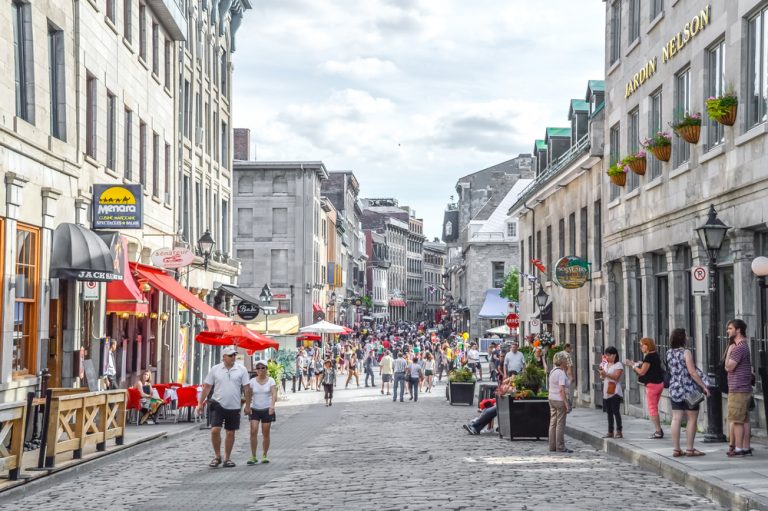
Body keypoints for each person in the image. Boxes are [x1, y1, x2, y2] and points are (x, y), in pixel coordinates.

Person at [197, 347, 250, 468]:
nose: (233, 357)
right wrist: (200, 403)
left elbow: (247, 388)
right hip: (217, 403)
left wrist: (248, 405)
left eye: (234, 355)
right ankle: (217, 456)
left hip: (234, 405)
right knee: (215, 430)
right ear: (224, 357)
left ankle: (227, 458)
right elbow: (207, 387)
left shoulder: (241, 369)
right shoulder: (215, 369)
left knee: (230, 432)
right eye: (230, 355)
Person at [667, 328, 710, 457]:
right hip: (689, 390)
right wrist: (703, 386)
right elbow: (692, 372)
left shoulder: (669, 352)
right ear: (682, 338)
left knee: (676, 418)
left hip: (675, 389)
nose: (687, 338)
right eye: (686, 336)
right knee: (692, 419)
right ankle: (690, 449)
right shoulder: (686, 353)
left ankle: (676, 449)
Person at [724, 319, 753, 457]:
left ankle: (739, 448)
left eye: (730, 328)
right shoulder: (744, 345)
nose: (728, 331)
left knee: (736, 421)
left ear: (738, 330)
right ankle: (746, 447)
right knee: (744, 420)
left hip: (738, 389)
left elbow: (729, 367)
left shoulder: (738, 347)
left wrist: (729, 351)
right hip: (744, 388)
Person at [625, 338, 665, 439]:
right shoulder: (655, 354)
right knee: (654, 407)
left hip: (652, 385)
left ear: (647, 346)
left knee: (652, 409)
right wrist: (638, 364)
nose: (640, 347)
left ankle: (658, 431)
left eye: (642, 345)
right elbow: (649, 367)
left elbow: (642, 372)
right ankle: (659, 429)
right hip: (659, 384)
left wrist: (632, 365)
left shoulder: (649, 357)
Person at [244, 360, 276, 465]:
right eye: (258, 368)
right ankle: (253, 456)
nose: (260, 370)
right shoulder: (252, 381)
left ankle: (264, 455)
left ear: (266, 369)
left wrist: (272, 405)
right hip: (255, 409)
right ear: (256, 370)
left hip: (267, 409)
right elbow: (248, 394)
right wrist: (247, 406)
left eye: (263, 368)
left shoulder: (271, 380)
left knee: (265, 432)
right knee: (253, 431)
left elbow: (274, 393)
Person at [548, 351, 572, 453]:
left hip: (552, 398)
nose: (567, 362)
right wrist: (566, 403)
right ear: (562, 361)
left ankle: (552, 445)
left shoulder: (553, 371)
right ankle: (560, 446)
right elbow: (561, 389)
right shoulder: (561, 373)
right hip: (559, 399)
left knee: (553, 422)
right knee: (560, 424)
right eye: (565, 360)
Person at [598, 346, 624, 439]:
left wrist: (606, 374)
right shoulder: (606, 364)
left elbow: (616, 377)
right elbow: (603, 377)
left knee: (615, 411)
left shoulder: (618, 365)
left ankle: (619, 431)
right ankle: (610, 431)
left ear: (614, 355)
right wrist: (602, 373)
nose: (607, 357)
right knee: (609, 412)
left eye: (609, 355)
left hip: (615, 390)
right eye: (606, 355)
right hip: (607, 390)